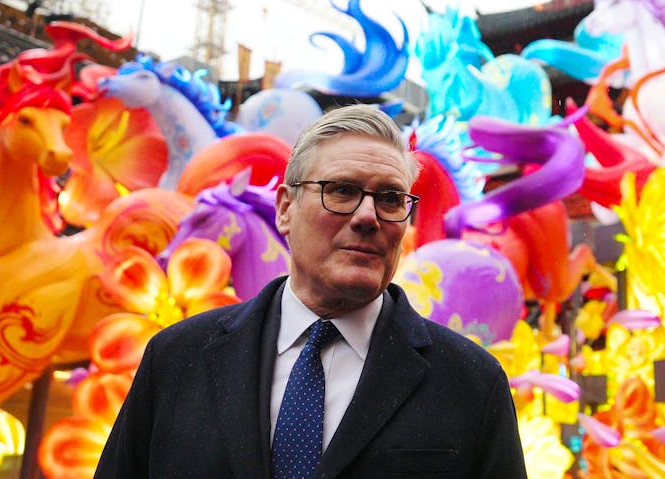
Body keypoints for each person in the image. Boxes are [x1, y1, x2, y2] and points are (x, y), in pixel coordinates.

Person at [95, 104, 527, 478]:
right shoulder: (175, 360)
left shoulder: (471, 383)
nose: (367, 216)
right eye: (341, 190)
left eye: (391, 199)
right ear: (285, 208)